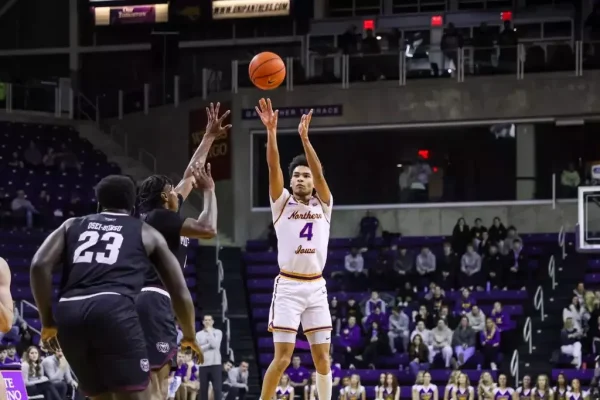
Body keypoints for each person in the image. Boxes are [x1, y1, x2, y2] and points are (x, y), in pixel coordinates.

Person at [29, 174, 202, 400]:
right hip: (113, 309)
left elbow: (39, 265)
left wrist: (48, 322)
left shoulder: (71, 224)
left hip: (69, 313)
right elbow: (179, 290)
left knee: (101, 396)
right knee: (134, 396)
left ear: (99, 201)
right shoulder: (143, 229)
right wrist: (189, 335)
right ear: (132, 205)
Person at [136, 104, 225, 400]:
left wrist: (209, 137)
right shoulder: (160, 218)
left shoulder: (160, 214)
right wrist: (210, 190)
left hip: (155, 301)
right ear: (165, 197)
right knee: (155, 382)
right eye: (173, 190)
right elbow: (208, 228)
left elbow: (190, 174)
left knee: (160, 379)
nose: (179, 191)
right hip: (152, 299)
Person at [255, 98, 333, 400]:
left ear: (313, 181)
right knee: (283, 358)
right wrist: (272, 132)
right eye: (296, 175)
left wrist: (305, 138)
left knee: (323, 359)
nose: (301, 178)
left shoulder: (324, 204)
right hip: (288, 286)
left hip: (316, 287)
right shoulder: (282, 203)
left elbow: (321, 174)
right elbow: (272, 165)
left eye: (306, 175)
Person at [197, 315, 224, 400]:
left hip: (215, 363)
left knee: (217, 389)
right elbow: (198, 349)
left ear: (212, 322)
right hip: (203, 364)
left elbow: (215, 345)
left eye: (209, 320)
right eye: (205, 320)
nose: (207, 322)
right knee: (203, 389)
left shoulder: (218, 332)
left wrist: (209, 332)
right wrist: (208, 345)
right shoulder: (198, 334)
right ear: (203, 322)